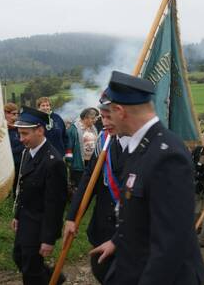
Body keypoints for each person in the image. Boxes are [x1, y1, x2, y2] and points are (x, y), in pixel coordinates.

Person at [92, 71, 204, 284]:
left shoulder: (167, 155)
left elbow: (171, 243)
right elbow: (141, 214)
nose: (106, 121)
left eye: (109, 113)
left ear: (119, 110)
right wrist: (117, 241)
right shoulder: (142, 146)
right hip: (135, 264)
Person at [63, 104, 130, 283]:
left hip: (132, 231)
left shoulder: (147, 145)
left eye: (109, 117)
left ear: (124, 115)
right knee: (101, 269)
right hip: (104, 226)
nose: (104, 123)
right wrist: (72, 217)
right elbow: (88, 181)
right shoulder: (104, 141)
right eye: (102, 117)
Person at [11, 106, 67, 285]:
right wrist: (17, 215)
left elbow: (55, 205)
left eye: (25, 134)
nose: (21, 139)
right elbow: (23, 187)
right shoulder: (28, 152)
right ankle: (55, 279)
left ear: (40, 130)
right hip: (25, 219)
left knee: (30, 270)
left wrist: (48, 238)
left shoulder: (53, 162)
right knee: (18, 256)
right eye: (19, 134)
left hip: (39, 224)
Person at [65, 108, 98, 194]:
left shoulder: (93, 128)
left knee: (87, 184)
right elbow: (69, 146)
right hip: (78, 162)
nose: (94, 120)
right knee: (78, 184)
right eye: (92, 118)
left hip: (90, 161)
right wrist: (69, 161)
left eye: (95, 118)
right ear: (85, 118)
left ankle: (84, 199)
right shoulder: (73, 129)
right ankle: (74, 199)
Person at [4, 103, 24, 194]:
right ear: (6, 114)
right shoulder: (1, 129)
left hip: (19, 160)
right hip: (6, 162)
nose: (16, 116)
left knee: (18, 182)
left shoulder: (19, 127)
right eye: (13, 114)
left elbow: (24, 143)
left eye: (17, 114)